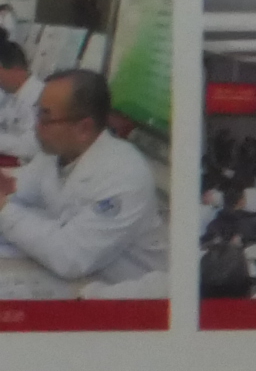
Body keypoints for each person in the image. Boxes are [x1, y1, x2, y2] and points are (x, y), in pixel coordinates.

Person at [0, 69, 165, 290]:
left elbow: (70, 258)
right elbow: (20, 186)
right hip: (79, 277)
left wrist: (4, 210)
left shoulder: (124, 175)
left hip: (120, 290)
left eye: (45, 118)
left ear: (83, 128)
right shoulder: (57, 153)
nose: (36, 127)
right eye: (38, 113)